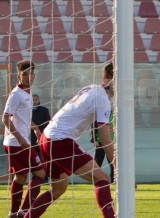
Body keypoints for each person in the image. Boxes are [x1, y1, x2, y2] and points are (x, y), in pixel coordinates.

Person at [24, 63, 116, 218]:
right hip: (59, 139)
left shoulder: (91, 88)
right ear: (106, 78)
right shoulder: (103, 99)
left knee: (58, 189)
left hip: (47, 137)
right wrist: (119, 170)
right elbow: (105, 139)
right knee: (102, 179)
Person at [2, 60, 46, 218]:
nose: (28, 77)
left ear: (34, 75)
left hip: (19, 142)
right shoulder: (16, 94)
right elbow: (5, 118)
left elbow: (23, 117)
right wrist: (20, 138)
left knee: (21, 176)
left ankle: (14, 213)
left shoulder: (27, 92)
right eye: (24, 74)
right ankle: (22, 211)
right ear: (19, 76)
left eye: (30, 74)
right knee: (39, 173)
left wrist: (34, 128)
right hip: (16, 143)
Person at [31, 94, 51, 182]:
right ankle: (36, 177)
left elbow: (48, 123)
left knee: (42, 157)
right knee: (33, 158)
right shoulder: (26, 111)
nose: (34, 101)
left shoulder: (44, 110)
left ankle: (44, 178)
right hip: (30, 137)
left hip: (41, 137)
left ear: (38, 101)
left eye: (36, 100)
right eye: (33, 100)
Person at [91, 110, 115, 183]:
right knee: (98, 162)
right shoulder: (100, 114)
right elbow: (93, 127)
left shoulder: (115, 114)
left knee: (112, 162)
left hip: (111, 142)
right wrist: (94, 140)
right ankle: (95, 179)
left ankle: (114, 180)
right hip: (100, 142)